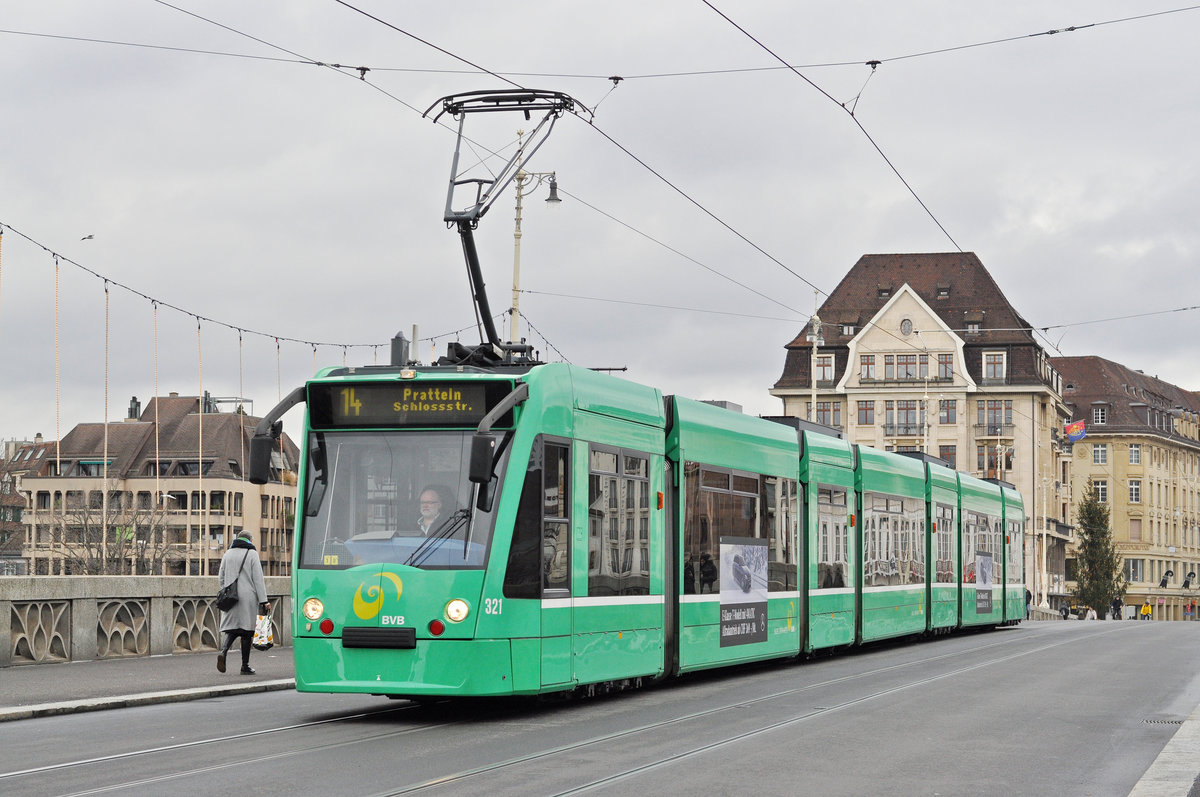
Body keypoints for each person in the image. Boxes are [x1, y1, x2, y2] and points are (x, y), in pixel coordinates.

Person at [217, 530, 270, 674]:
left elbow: (220, 577)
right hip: (248, 598)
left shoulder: (228, 553)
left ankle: (223, 650)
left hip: (231, 597)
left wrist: (226, 590)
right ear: (250, 540)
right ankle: (244, 666)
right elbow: (258, 579)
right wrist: (264, 600)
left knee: (232, 629)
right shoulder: (252, 554)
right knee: (246, 632)